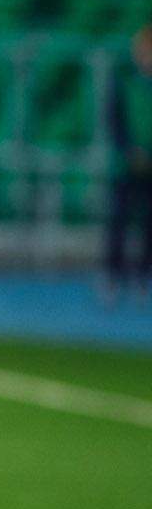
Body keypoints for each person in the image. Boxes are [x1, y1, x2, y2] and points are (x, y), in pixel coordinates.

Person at [103, 23, 152, 304]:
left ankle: (142, 278)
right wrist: (128, 150)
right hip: (124, 165)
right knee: (119, 221)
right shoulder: (125, 80)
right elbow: (114, 119)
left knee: (147, 225)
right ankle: (112, 277)